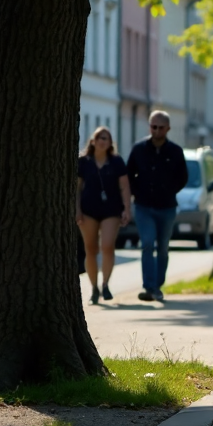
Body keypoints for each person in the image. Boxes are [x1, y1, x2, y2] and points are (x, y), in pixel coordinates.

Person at [127, 111, 189, 302]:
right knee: (147, 243)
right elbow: (129, 174)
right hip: (144, 206)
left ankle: (158, 286)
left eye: (161, 127)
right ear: (149, 127)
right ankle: (148, 286)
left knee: (163, 247)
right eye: (153, 126)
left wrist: (169, 190)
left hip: (167, 207)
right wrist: (136, 193)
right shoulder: (139, 149)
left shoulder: (176, 152)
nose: (156, 130)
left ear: (168, 129)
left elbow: (183, 177)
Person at [76, 127, 131, 305]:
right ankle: (94, 288)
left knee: (107, 246)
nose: (102, 141)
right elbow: (76, 189)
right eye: (99, 138)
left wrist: (126, 209)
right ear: (93, 141)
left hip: (111, 210)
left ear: (110, 143)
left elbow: (124, 187)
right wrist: (77, 210)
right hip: (88, 210)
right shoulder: (83, 162)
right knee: (90, 249)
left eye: (106, 138)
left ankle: (106, 284)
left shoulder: (116, 162)